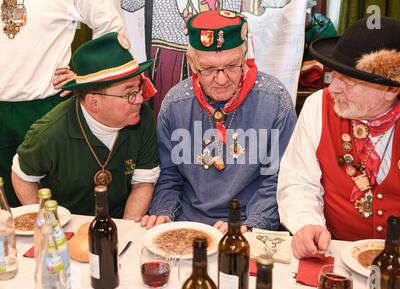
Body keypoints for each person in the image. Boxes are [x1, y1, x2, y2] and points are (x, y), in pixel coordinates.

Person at [277, 17, 400, 258]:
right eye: (334, 74)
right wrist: (307, 222)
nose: (334, 88)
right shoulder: (318, 106)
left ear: (392, 88)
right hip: (335, 253)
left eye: (349, 81)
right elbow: (299, 181)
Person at [141, 10, 297, 233]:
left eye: (232, 66)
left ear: (245, 57)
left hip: (247, 221)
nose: (222, 79)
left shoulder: (275, 102)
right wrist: (164, 213)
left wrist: (253, 224)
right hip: (188, 222)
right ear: (192, 63)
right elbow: (169, 175)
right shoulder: (175, 104)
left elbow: (278, 178)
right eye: (209, 69)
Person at [11, 32, 160, 219]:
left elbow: (143, 184)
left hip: (119, 222)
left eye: (139, 88)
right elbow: (22, 177)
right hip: (68, 227)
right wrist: (49, 223)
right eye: (129, 93)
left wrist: (123, 231)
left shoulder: (143, 118)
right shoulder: (50, 132)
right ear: (93, 102)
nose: (139, 99)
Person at [0, 0, 124, 206]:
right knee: (6, 209)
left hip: (45, 107)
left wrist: (87, 76)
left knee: (56, 203)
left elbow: (110, 25)